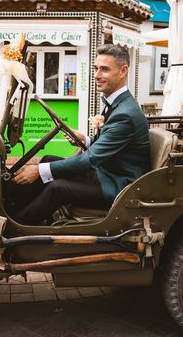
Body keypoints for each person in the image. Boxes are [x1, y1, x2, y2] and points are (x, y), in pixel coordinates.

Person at [9, 44, 150, 225]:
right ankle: (13, 206)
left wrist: (38, 171)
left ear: (123, 71)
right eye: (96, 68)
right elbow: (110, 145)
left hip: (118, 186)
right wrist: (87, 140)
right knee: (47, 159)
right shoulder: (118, 103)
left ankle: (15, 227)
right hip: (106, 173)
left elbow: (90, 159)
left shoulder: (125, 113)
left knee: (57, 187)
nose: (97, 75)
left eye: (104, 69)